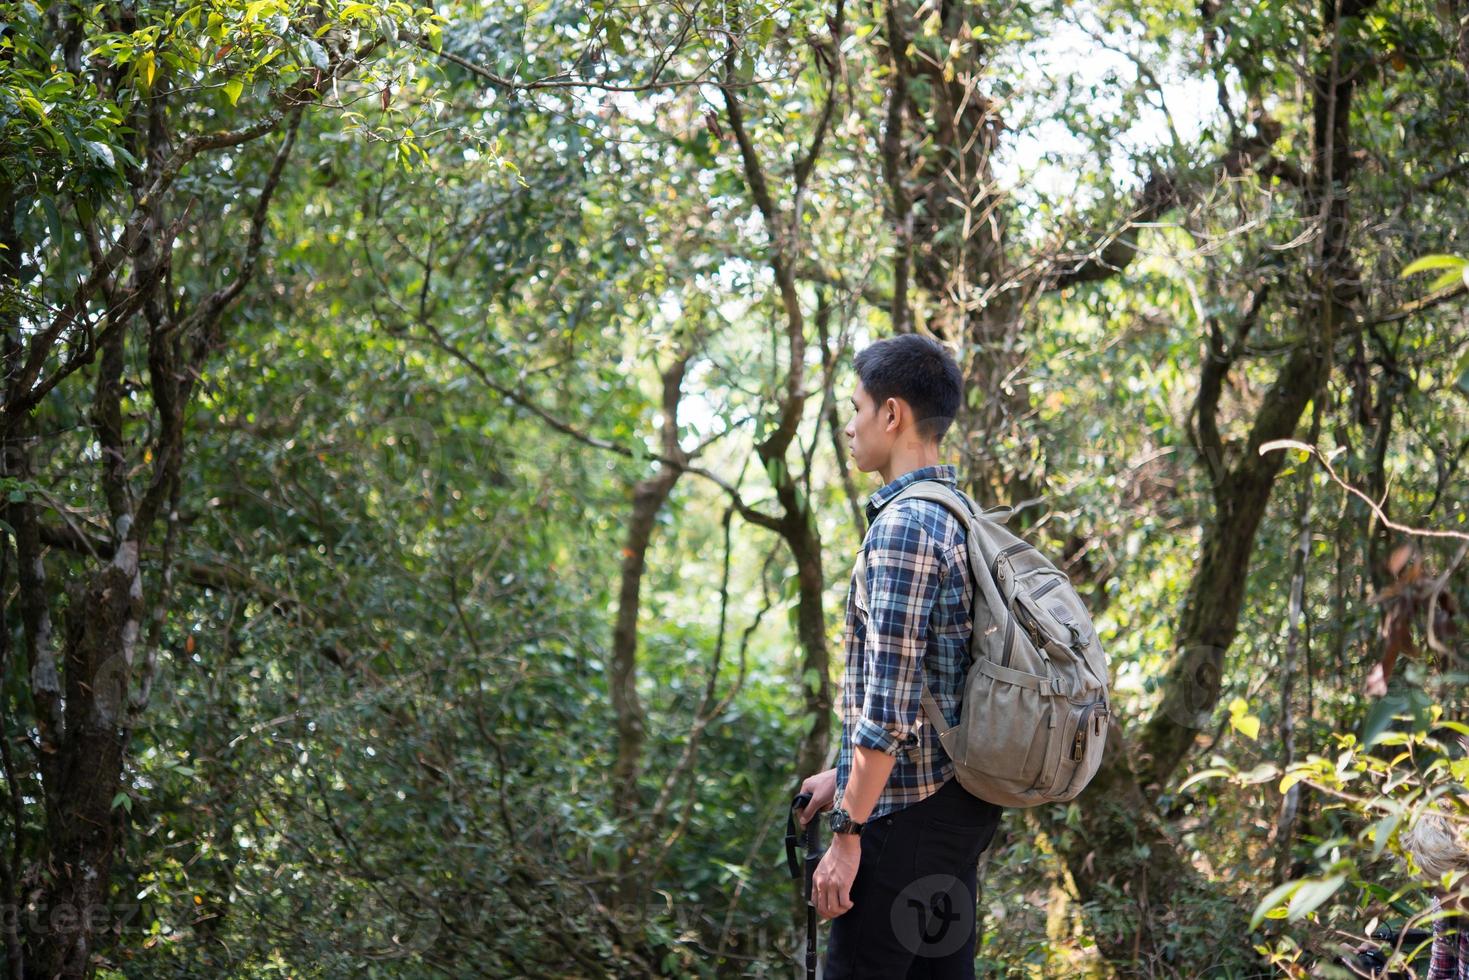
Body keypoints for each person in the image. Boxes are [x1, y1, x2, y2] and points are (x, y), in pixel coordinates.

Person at [797, 333, 1003, 979]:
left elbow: (887, 711)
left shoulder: (903, 527)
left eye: (855, 408)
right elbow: (934, 682)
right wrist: (841, 772)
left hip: (901, 821)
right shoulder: (958, 514)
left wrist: (847, 836)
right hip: (956, 808)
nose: (849, 425)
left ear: (891, 414)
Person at [1401, 790, 1469, 979]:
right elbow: (1441, 975)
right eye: (1435, 892)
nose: (1445, 905)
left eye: (1456, 890)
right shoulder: (1446, 908)